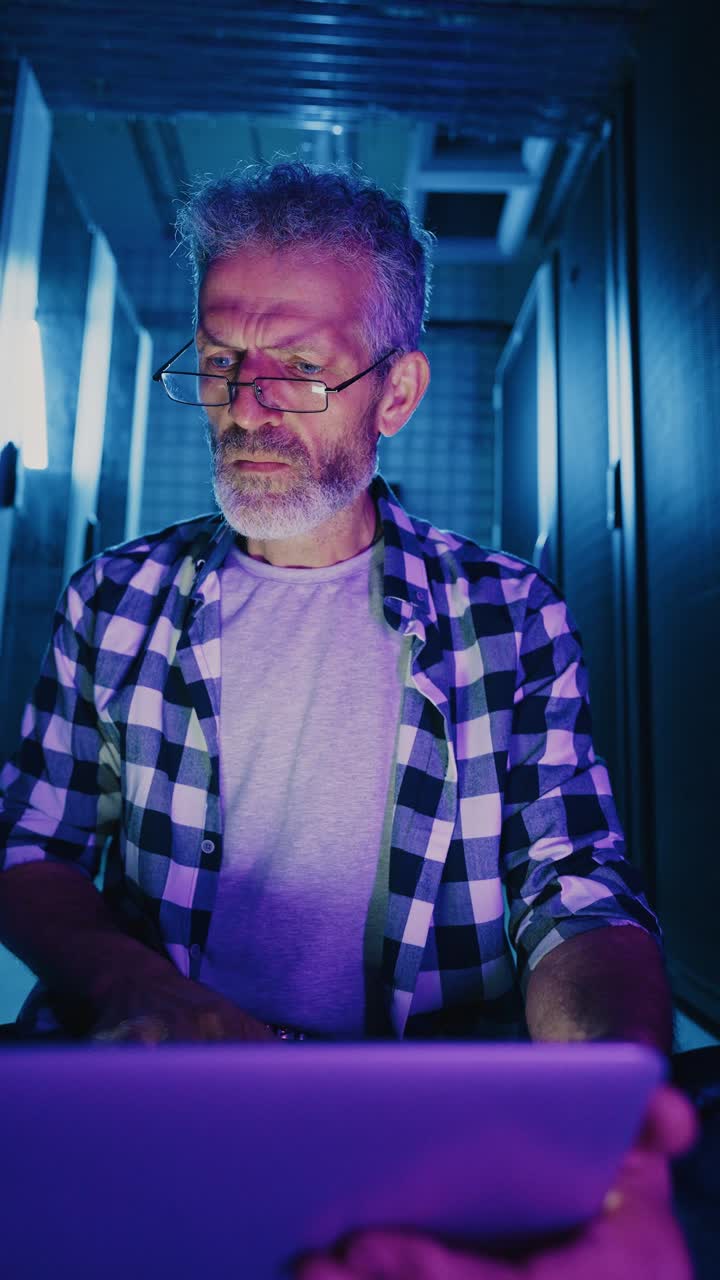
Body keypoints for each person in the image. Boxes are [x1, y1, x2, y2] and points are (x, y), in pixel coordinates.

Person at [0, 161, 697, 1275]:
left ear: (399, 392)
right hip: (153, 1104)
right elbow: (31, 848)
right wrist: (142, 987)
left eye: (302, 368)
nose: (248, 400)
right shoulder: (112, 600)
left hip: (425, 1129)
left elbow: (573, 889)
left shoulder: (510, 614)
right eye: (223, 360)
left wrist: (609, 1112)